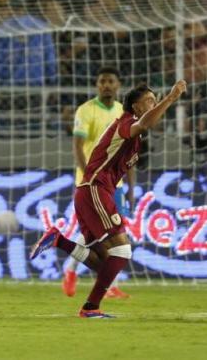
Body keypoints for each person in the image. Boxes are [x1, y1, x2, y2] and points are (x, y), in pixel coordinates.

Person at [30, 80, 187, 318]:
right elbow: (146, 122)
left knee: (105, 264)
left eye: (155, 100)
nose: (153, 104)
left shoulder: (133, 132)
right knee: (123, 251)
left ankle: (59, 241)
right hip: (95, 189)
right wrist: (171, 98)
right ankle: (90, 307)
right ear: (135, 106)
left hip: (93, 192)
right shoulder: (126, 123)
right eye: (149, 101)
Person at [63, 66, 134, 299]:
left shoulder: (123, 112)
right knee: (100, 232)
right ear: (97, 85)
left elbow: (128, 151)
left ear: (118, 85)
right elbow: (77, 146)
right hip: (92, 183)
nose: (106, 85)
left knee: (101, 234)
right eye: (102, 81)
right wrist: (88, 177)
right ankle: (84, 275)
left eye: (110, 81)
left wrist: (131, 186)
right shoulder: (86, 110)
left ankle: (75, 271)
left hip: (115, 184)